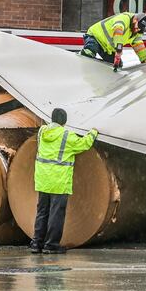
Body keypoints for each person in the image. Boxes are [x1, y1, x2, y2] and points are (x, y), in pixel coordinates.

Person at [30, 108, 98, 254]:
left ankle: (36, 243)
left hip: (43, 179)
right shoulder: (67, 136)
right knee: (56, 214)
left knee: (42, 212)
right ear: (64, 122)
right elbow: (84, 144)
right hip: (59, 181)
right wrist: (93, 132)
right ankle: (51, 245)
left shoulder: (42, 131)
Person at [80, 12, 146, 71]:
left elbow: (139, 47)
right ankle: (81, 60)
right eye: (137, 26)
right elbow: (118, 31)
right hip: (95, 36)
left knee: (118, 66)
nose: (137, 29)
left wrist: (145, 61)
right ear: (135, 20)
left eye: (140, 28)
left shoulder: (136, 32)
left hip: (107, 48)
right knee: (90, 51)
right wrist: (119, 49)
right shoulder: (124, 18)